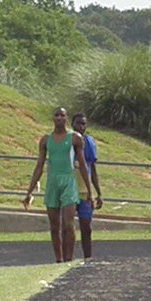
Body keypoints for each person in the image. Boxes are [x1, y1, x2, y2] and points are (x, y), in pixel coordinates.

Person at [23, 107, 94, 263]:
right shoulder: (45, 140)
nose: (60, 118)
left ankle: (68, 258)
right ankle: (59, 259)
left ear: (66, 118)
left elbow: (83, 165)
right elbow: (39, 165)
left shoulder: (74, 138)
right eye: (57, 115)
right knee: (55, 226)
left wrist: (90, 191)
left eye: (62, 115)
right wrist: (29, 192)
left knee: (68, 224)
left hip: (68, 181)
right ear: (53, 118)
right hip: (52, 182)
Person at [71, 113, 103, 259]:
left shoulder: (89, 143)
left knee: (86, 226)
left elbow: (93, 169)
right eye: (78, 123)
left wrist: (98, 192)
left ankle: (88, 258)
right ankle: (67, 259)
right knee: (67, 227)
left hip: (85, 190)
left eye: (83, 124)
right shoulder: (66, 141)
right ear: (72, 124)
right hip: (69, 189)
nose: (81, 127)